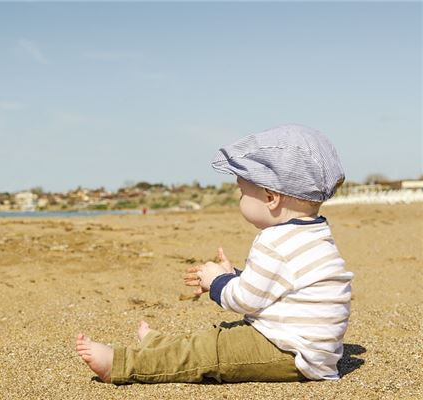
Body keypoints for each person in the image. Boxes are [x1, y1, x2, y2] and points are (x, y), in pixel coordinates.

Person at [75, 124, 353, 384]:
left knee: (210, 351)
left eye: (243, 191)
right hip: (312, 350)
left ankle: (122, 364)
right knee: (221, 335)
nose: (240, 198)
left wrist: (216, 283)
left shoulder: (274, 241)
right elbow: (278, 288)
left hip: (289, 352)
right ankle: (159, 344)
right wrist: (235, 276)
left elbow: (245, 301)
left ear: (271, 197)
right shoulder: (314, 234)